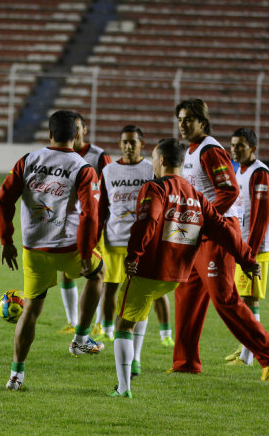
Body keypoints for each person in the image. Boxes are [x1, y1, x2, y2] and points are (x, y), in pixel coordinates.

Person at [109, 138, 265, 398]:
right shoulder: (199, 196)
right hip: (177, 275)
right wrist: (247, 259)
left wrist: (134, 254)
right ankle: (134, 361)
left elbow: (148, 221)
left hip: (150, 269)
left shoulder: (154, 187)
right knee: (142, 307)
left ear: (161, 161)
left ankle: (123, 388)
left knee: (123, 323)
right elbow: (225, 231)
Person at [172, 98, 269, 376]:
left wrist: (203, 219)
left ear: (202, 122)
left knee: (225, 298)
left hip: (218, 232)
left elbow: (229, 191)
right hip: (201, 231)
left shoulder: (211, 150)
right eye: (180, 119)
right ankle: (185, 363)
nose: (182, 124)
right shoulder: (190, 151)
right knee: (186, 294)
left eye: (188, 119)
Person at [0, 110, 105, 391]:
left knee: (31, 310)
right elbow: (91, 215)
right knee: (99, 273)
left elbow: (3, 198)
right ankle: (81, 339)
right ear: (77, 135)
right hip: (67, 247)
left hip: (33, 249)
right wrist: (85, 251)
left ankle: (16, 375)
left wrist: (6, 240)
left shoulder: (28, 160)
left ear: (49, 134)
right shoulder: (83, 168)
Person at [95, 125, 174, 370]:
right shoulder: (108, 170)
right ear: (120, 144)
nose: (129, 146)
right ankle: (107, 330)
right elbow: (102, 207)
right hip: (114, 239)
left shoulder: (151, 170)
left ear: (142, 144)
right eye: (124, 142)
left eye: (133, 142)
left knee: (150, 294)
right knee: (110, 288)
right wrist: (95, 239)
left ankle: (165, 333)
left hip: (144, 242)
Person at [225, 128, 269, 366]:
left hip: (255, 248)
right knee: (245, 297)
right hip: (245, 246)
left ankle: (248, 356)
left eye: (241, 146)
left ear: (253, 149)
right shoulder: (242, 171)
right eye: (233, 145)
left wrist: (251, 253)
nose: (235, 149)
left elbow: (261, 217)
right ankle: (246, 350)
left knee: (249, 299)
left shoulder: (260, 174)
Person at [58, 112, 111, 334]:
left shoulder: (98, 156)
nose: (76, 131)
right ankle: (72, 322)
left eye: (78, 127)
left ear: (84, 130)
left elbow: (110, 188)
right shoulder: (60, 154)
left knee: (99, 271)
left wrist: (105, 221)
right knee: (66, 272)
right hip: (69, 224)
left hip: (95, 223)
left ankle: (98, 324)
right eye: (73, 127)